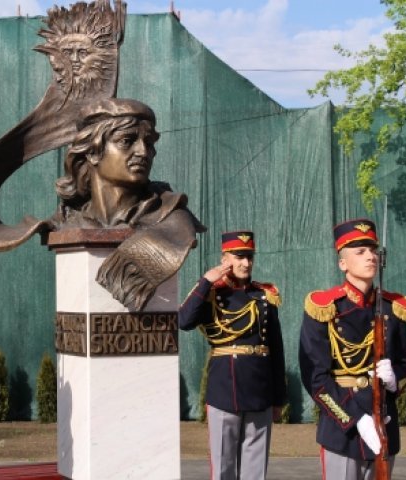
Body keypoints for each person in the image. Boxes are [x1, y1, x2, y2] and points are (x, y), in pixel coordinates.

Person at [52, 97, 205, 310]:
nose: (143, 152)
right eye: (127, 140)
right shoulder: (67, 220)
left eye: (149, 143)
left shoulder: (171, 217)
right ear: (93, 153)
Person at [299, 218, 406, 480]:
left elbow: (405, 364)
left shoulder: (393, 307)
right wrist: (355, 420)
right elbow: (316, 379)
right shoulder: (325, 307)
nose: (370, 257)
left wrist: (394, 380)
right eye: (360, 252)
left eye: (373, 250)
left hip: (383, 419)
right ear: (343, 263)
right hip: (343, 428)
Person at [179, 230, 287, 479]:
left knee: (255, 468)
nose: (246, 263)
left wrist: (278, 398)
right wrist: (206, 281)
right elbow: (184, 321)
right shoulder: (212, 294)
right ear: (225, 258)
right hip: (225, 388)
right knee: (223, 465)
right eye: (239, 256)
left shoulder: (263, 296)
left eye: (249, 256)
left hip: (259, 388)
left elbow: (276, 348)